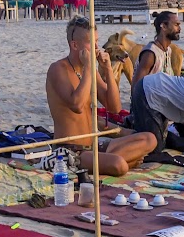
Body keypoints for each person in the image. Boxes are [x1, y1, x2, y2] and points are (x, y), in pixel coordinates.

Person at [46, 17, 156, 176]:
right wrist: (89, 69)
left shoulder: (90, 71)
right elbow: (76, 105)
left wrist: (108, 69)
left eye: (97, 41)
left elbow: (115, 108)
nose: (97, 47)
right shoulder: (58, 69)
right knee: (119, 165)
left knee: (150, 138)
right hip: (70, 150)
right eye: (91, 42)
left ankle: (111, 160)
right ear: (75, 45)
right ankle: (123, 162)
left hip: (93, 145)